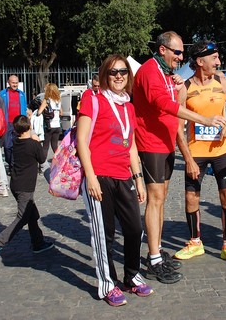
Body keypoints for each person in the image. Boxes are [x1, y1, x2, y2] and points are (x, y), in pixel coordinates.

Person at [132, 31, 226, 284]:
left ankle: (157, 250)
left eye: (182, 53)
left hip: (165, 143)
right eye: (177, 52)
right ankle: (153, 260)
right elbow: (166, 105)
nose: (182, 57)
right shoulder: (150, 70)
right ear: (163, 50)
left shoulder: (164, 73)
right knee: (155, 199)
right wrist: (205, 119)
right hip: (151, 143)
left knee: (161, 199)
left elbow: (171, 100)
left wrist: (176, 83)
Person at [77, 54, 152, 306]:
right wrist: (90, 177)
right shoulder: (92, 99)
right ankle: (108, 284)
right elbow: (82, 141)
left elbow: (130, 145)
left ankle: (132, 276)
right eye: (112, 72)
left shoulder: (128, 106)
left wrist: (139, 179)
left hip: (123, 175)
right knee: (104, 234)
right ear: (104, 76)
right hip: (99, 176)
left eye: (122, 71)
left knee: (134, 229)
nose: (118, 75)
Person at [174, 41, 226, 265]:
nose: (218, 62)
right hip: (195, 152)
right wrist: (188, 159)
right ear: (200, 61)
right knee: (190, 196)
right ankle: (195, 242)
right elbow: (177, 128)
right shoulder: (184, 87)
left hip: (222, 151)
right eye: (214, 58)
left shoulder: (222, 82)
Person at [0, 115, 53, 261]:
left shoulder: (15, 142)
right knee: (23, 217)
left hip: (16, 184)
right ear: (29, 127)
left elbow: (26, 138)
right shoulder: (33, 145)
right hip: (25, 187)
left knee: (32, 215)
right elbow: (43, 161)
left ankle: (38, 242)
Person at [0, 74, 27, 166]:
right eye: (13, 83)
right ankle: (9, 161)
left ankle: (14, 165)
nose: (15, 85)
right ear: (8, 83)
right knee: (7, 146)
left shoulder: (22, 94)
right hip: (7, 123)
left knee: (17, 145)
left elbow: (24, 108)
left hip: (19, 123)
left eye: (16, 83)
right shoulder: (2, 94)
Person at [37, 83, 63, 159]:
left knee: (45, 146)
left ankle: (42, 163)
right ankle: (60, 160)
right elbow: (61, 113)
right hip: (57, 125)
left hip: (49, 125)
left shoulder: (47, 100)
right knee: (55, 145)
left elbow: (39, 112)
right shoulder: (58, 100)